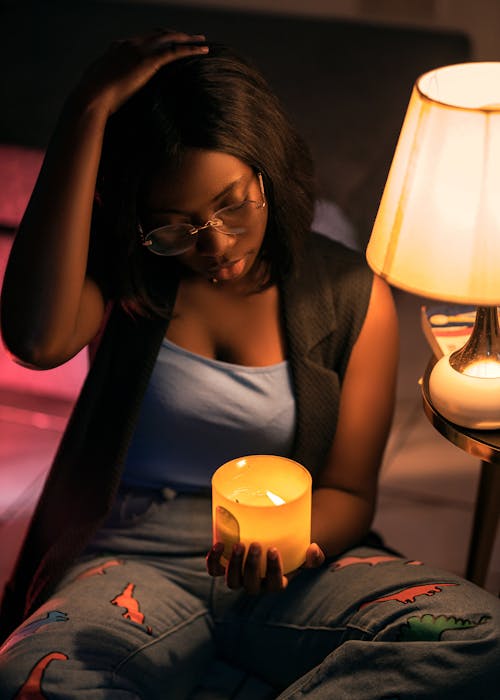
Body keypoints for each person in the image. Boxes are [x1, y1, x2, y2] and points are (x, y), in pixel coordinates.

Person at [0, 29, 499, 699]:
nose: (215, 244)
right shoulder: (132, 279)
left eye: (232, 203)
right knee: (32, 676)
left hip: (292, 575)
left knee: (477, 634)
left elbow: (349, 493)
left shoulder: (352, 294)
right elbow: (34, 339)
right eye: (175, 222)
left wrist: (287, 547)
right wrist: (87, 109)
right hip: (134, 565)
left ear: (266, 169)